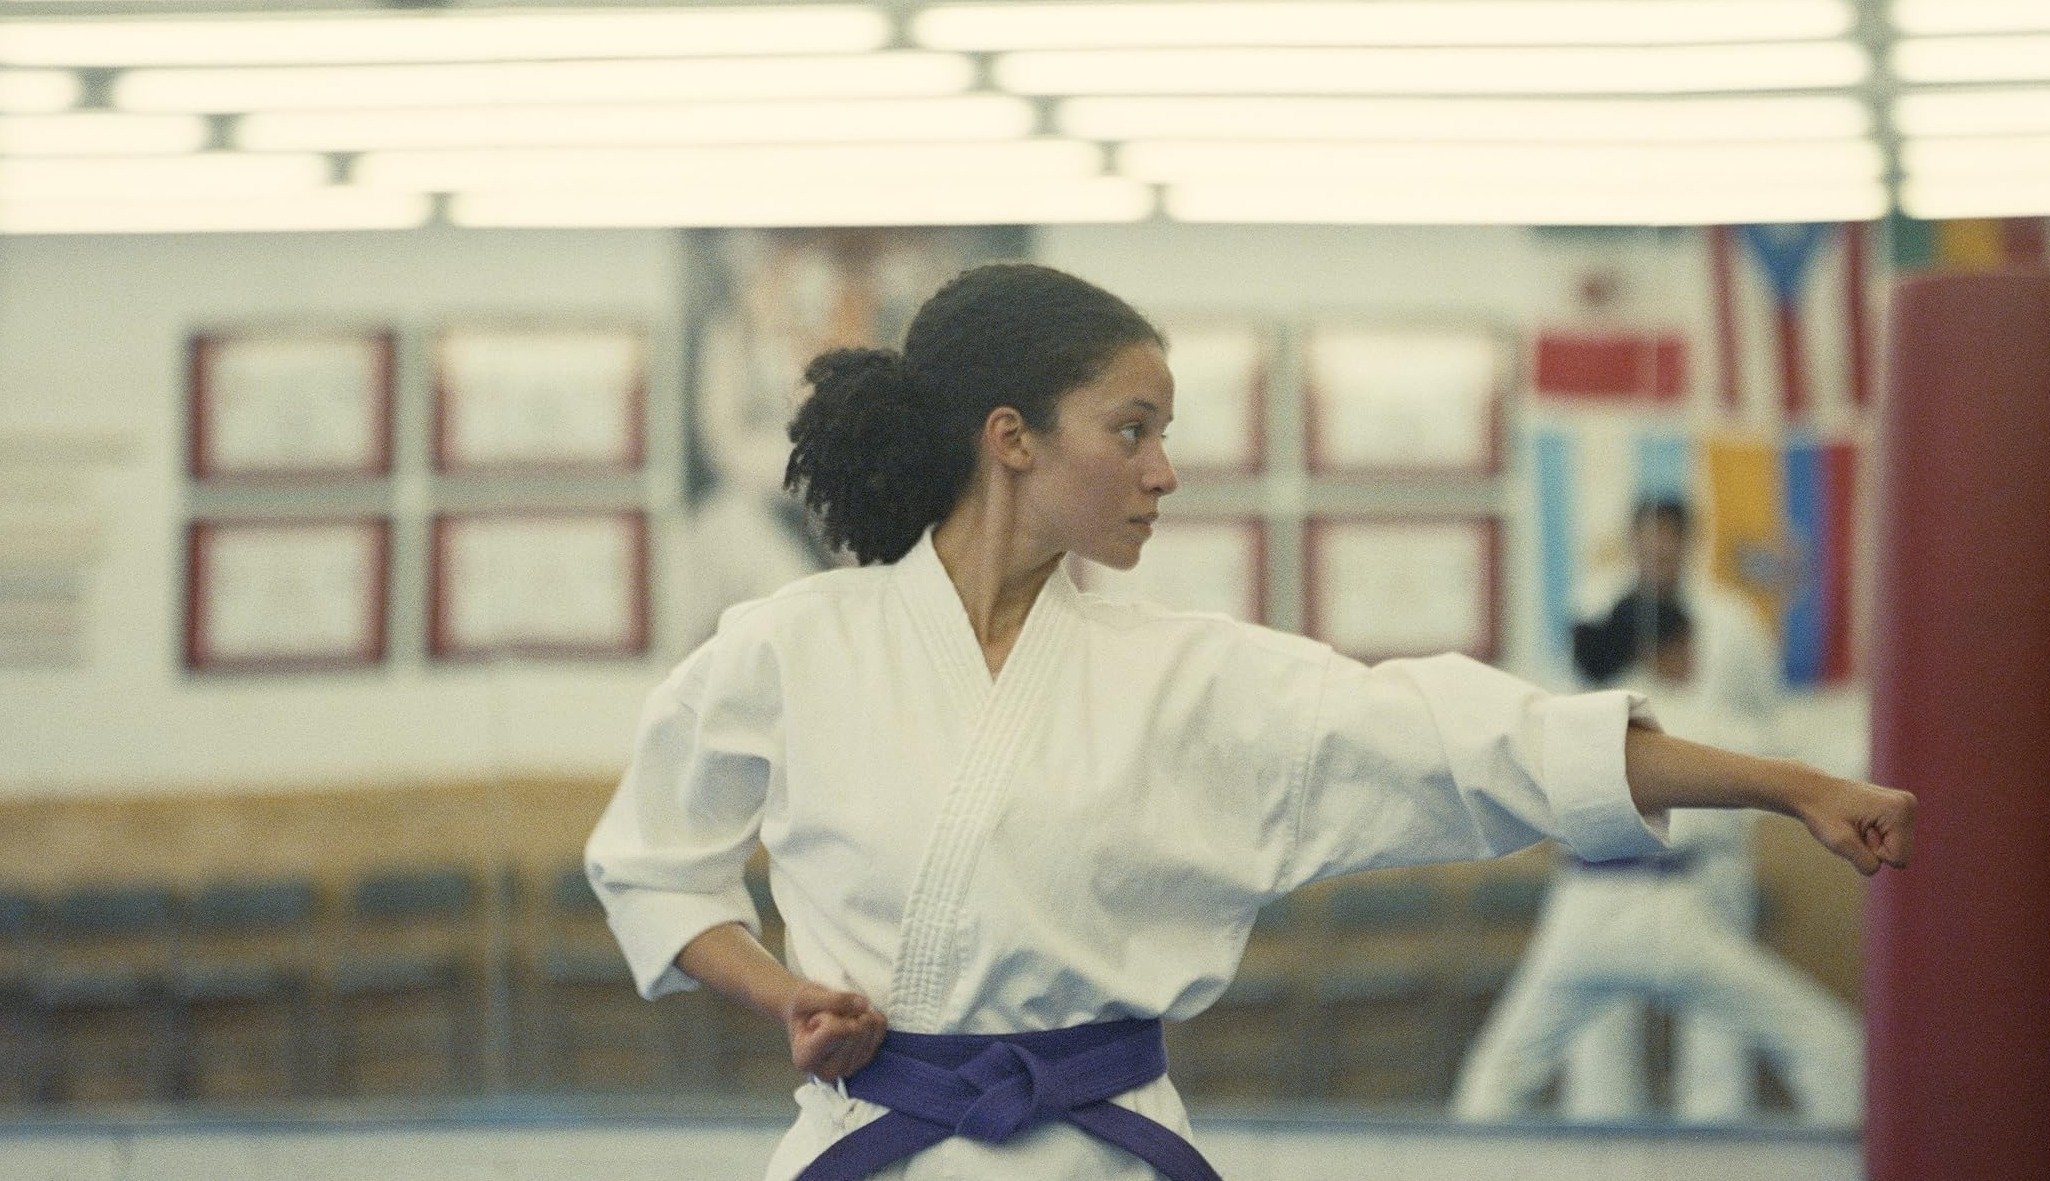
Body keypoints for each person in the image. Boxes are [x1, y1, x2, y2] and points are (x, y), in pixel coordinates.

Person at [585, 263, 1913, 1180]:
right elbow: (651, 860)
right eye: (1134, 426)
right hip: (870, 1147)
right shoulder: (792, 646)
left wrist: (1780, 780)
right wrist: (788, 994)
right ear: (1013, 438)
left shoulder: (1199, 675)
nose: (1166, 469)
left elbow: (1461, 736)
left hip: (1102, 1149)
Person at [1451, 501, 1864, 1126]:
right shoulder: (1687, 724)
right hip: (1665, 903)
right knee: (1817, 1042)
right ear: (1675, 649)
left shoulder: (1600, 716)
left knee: (1506, 1073)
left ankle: (1467, 1152)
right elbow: (1796, 753)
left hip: (1596, 904)